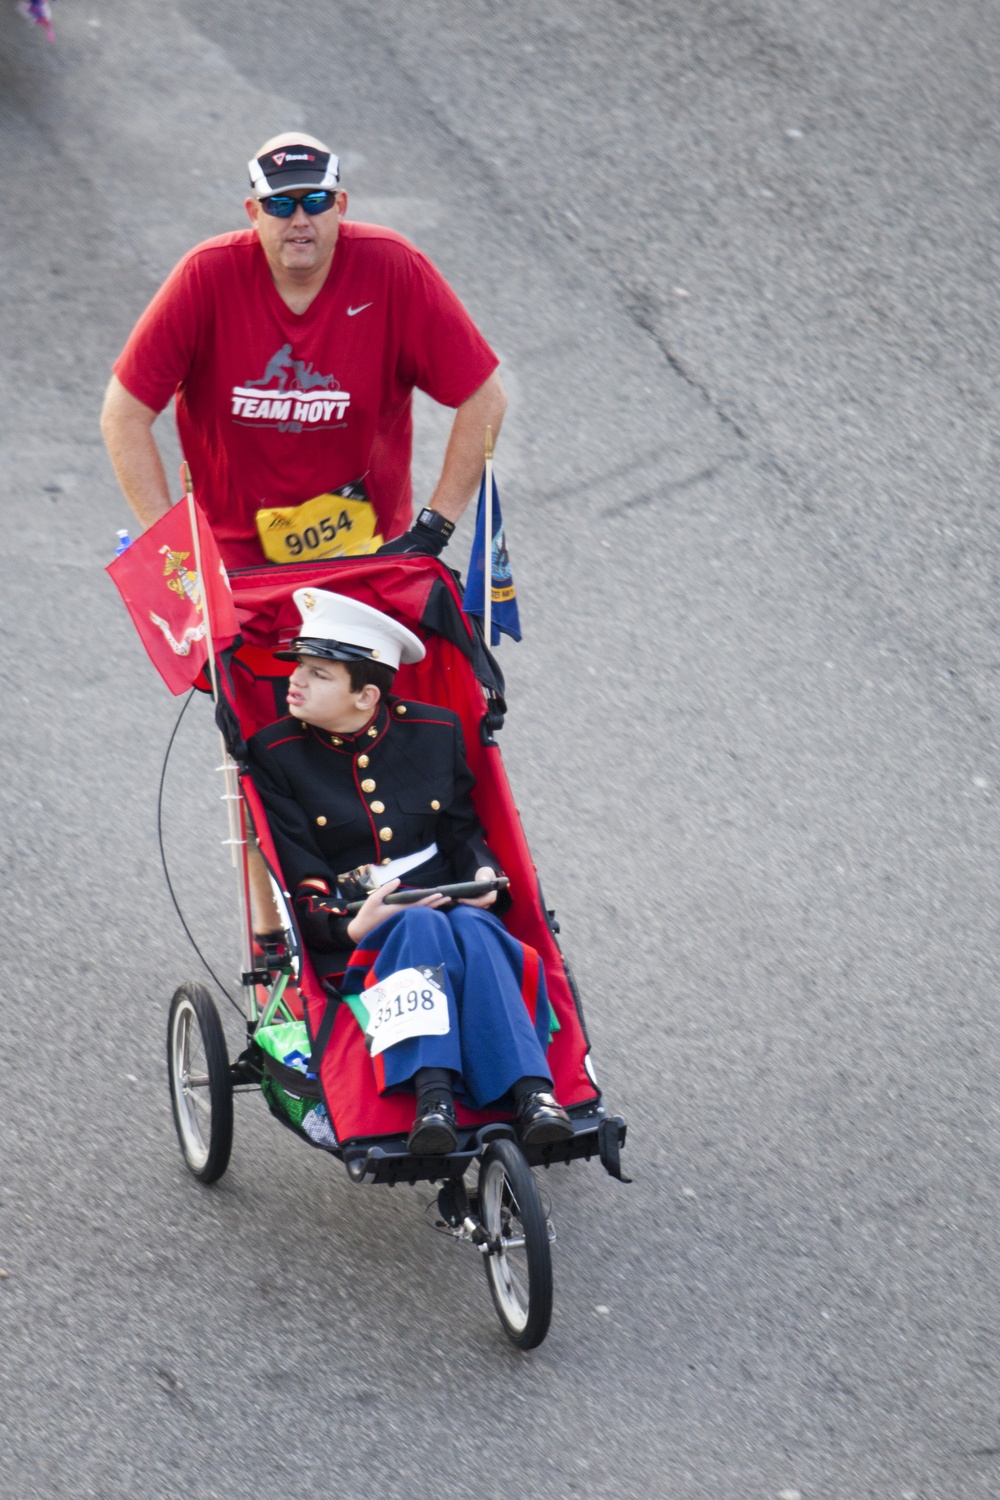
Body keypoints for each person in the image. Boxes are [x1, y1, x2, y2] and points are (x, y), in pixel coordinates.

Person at [245, 588, 574, 1157]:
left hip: (450, 897)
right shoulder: (274, 754)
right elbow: (299, 867)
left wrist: (485, 878)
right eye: (298, 667)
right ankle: (433, 1095)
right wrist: (344, 927)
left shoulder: (436, 731)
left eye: (318, 674)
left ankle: (532, 1092)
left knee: (473, 930)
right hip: (353, 926)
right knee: (417, 928)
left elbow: (463, 831)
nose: (293, 682)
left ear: (366, 694)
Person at [100, 129, 507, 570]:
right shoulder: (204, 277)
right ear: (253, 213)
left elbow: (484, 398)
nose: (299, 219)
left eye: (315, 201)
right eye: (280, 204)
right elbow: (123, 414)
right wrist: (172, 549)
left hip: (364, 561)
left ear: (341, 206)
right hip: (232, 573)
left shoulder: (392, 267)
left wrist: (432, 530)